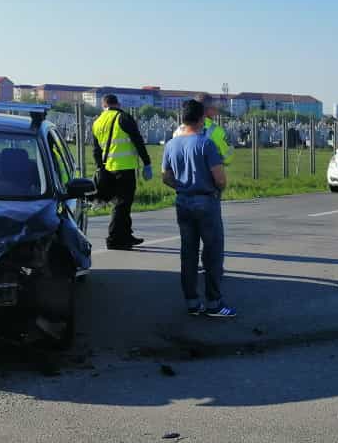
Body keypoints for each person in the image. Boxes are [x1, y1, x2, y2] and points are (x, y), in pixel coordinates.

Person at [161, 99, 236, 319]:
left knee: (188, 253)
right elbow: (220, 178)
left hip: (183, 201)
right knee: (212, 253)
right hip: (206, 200)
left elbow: (166, 176)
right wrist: (216, 187)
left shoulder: (171, 145)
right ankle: (214, 302)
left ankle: (192, 302)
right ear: (202, 118)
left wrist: (182, 186)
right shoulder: (206, 144)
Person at [92, 94, 153, 250]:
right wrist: (147, 163)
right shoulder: (123, 117)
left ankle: (126, 235)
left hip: (108, 168)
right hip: (124, 168)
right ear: (118, 103)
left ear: (103, 105)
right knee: (122, 204)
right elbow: (137, 140)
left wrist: (101, 167)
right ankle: (114, 239)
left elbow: (96, 150)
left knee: (122, 205)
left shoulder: (97, 122)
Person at [197, 93, 234, 167]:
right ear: (208, 109)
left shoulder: (181, 129)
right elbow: (228, 157)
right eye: (213, 106)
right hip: (209, 174)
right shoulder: (217, 131)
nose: (216, 109)